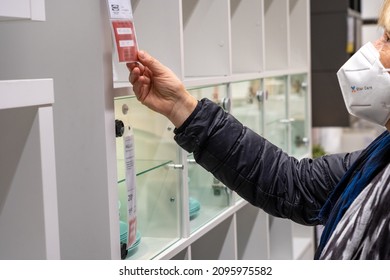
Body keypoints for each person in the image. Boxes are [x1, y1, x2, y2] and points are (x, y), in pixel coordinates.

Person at [127, 0, 390, 260]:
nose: (373, 47)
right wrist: (182, 107)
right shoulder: (380, 157)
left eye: (387, 39)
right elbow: (295, 184)